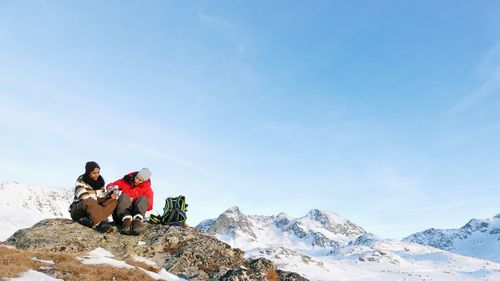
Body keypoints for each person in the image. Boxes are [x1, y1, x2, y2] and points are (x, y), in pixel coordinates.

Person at [69, 161, 118, 233]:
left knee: (114, 201)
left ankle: (89, 220)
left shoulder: (100, 182)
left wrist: (109, 196)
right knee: (90, 201)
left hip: (94, 209)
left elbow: (101, 198)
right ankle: (101, 224)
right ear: (88, 172)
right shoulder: (81, 180)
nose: (97, 175)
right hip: (79, 209)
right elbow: (84, 197)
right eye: (94, 173)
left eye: (98, 172)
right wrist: (100, 202)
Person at [107, 168, 154, 235]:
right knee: (124, 196)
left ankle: (137, 223)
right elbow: (114, 184)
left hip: (135, 214)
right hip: (121, 217)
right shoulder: (127, 180)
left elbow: (150, 206)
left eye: (140, 180)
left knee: (143, 199)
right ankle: (126, 222)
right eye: (137, 177)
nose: (136, 180)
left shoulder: (148, 190)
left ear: (144, 181)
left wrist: (134, 200)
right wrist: (110, 187)